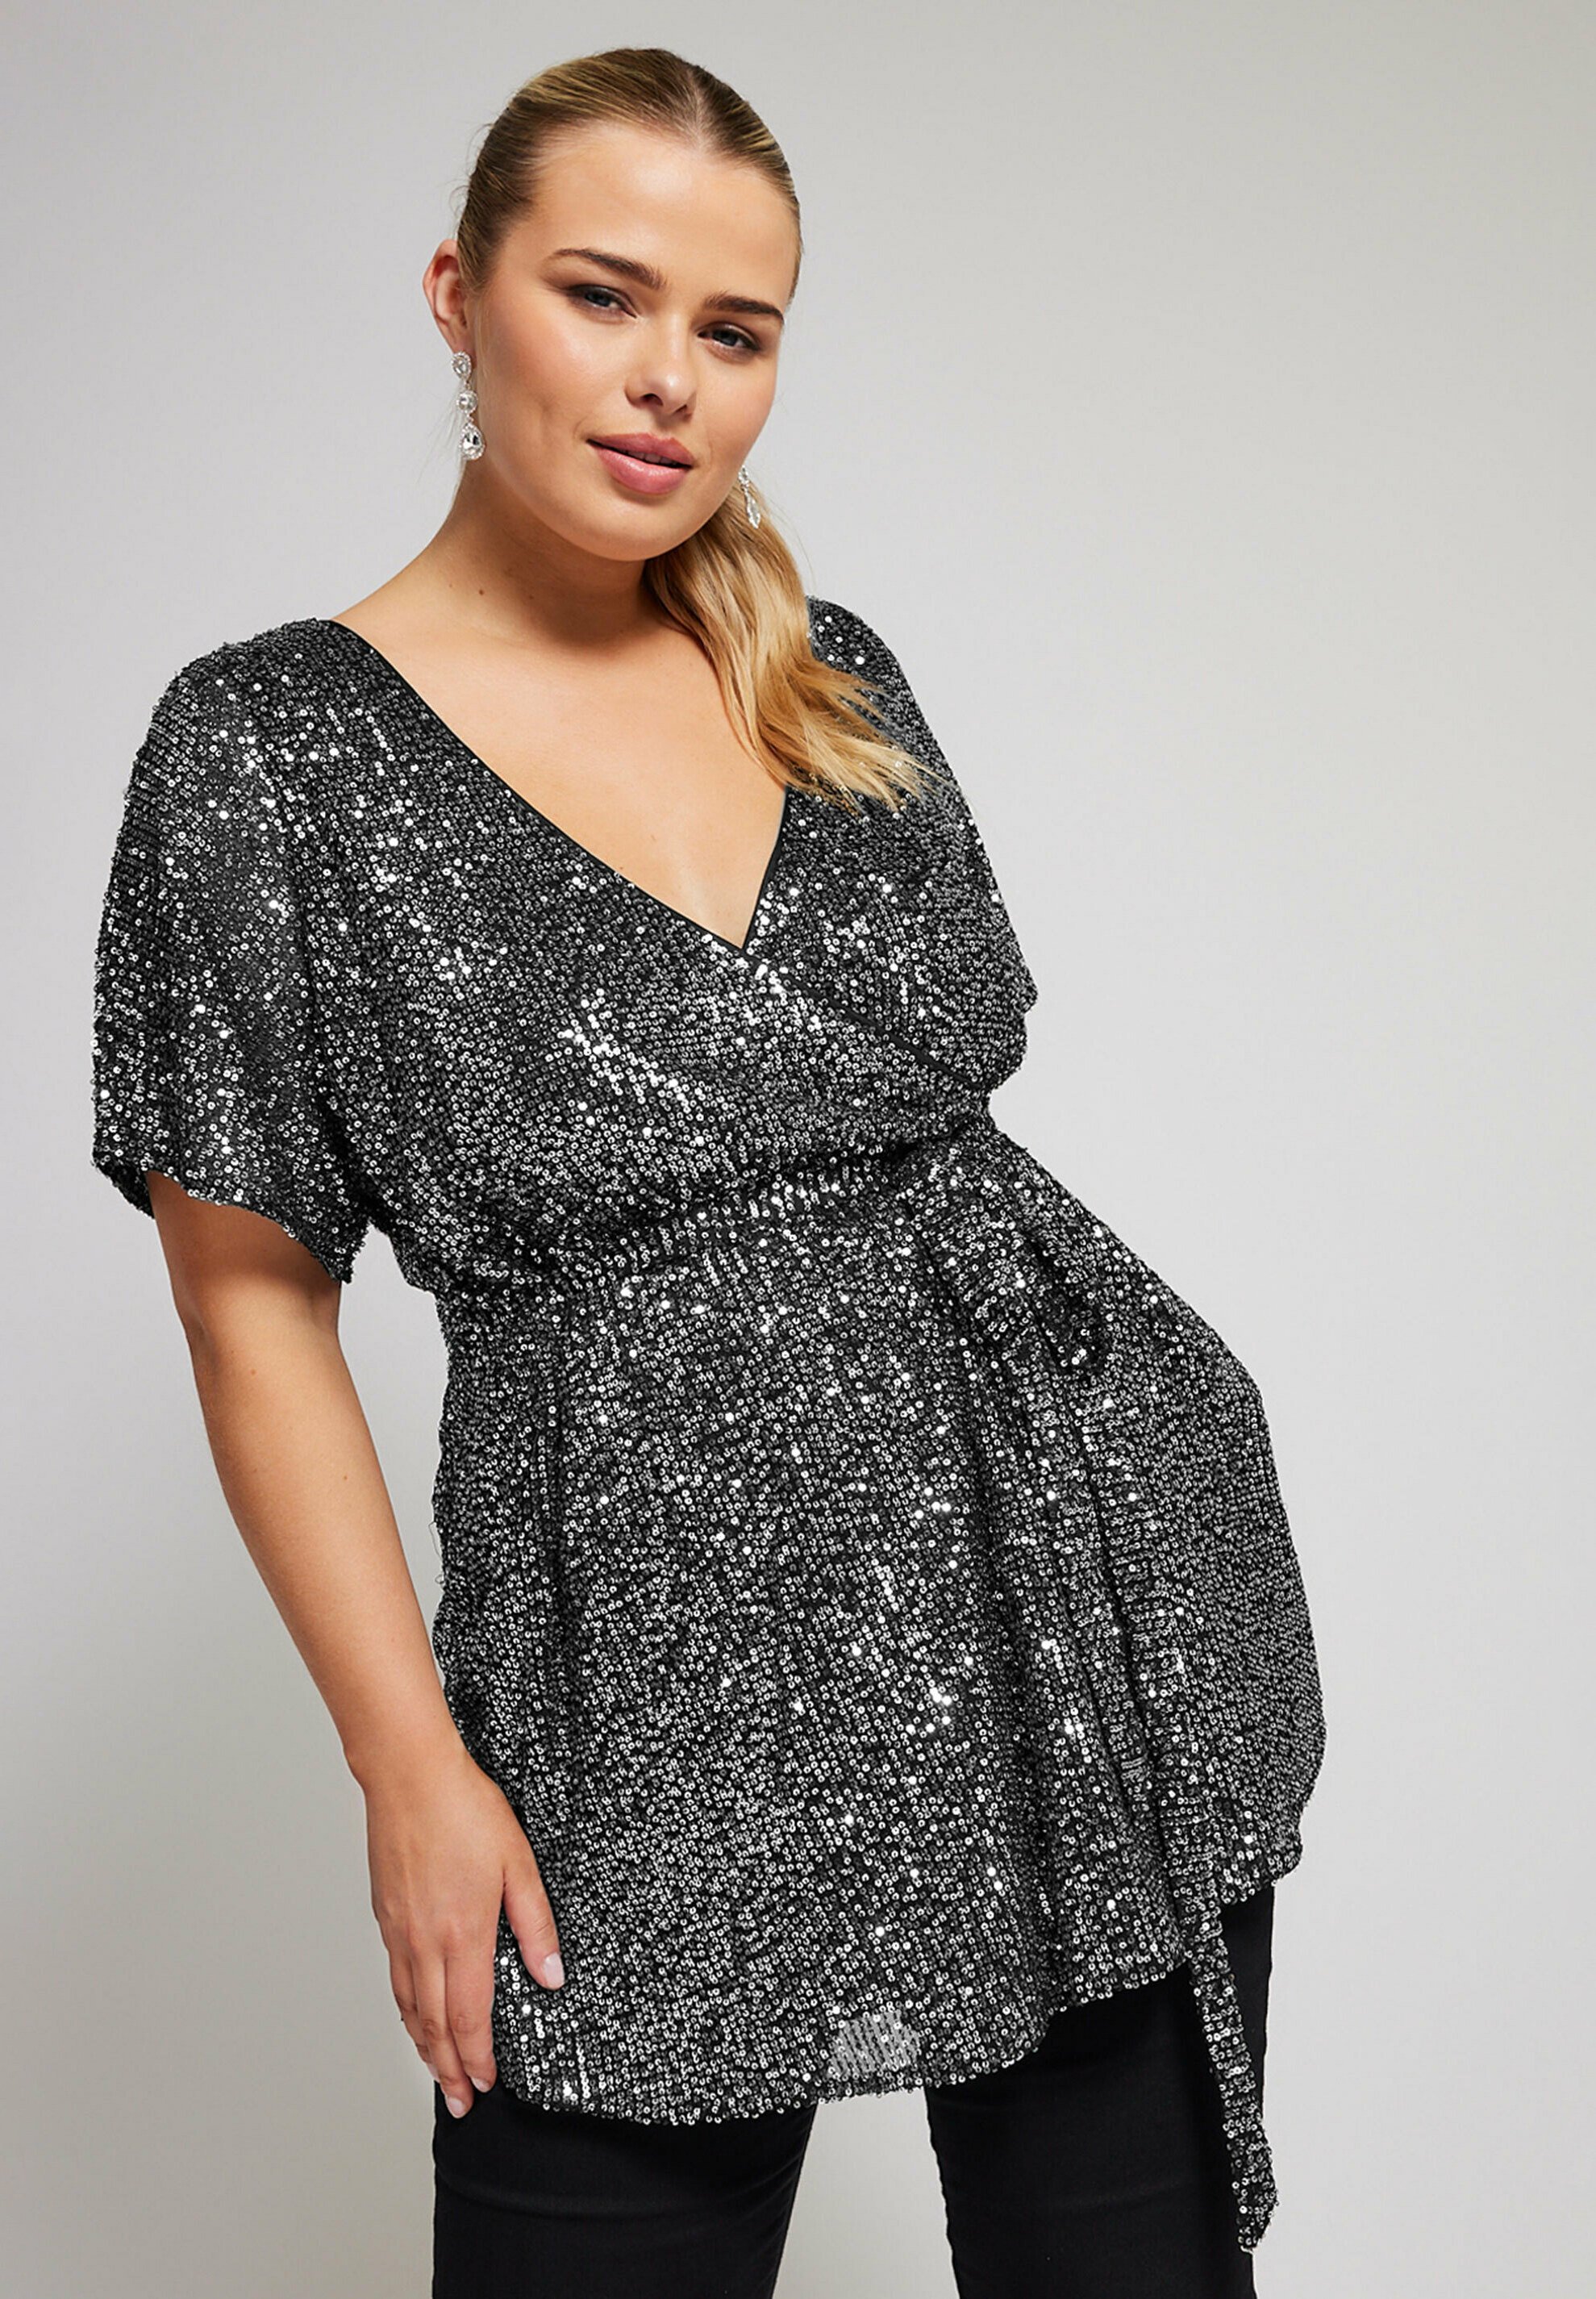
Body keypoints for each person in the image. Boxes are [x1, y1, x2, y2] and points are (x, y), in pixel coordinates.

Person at [90, 44, 1326, 2299]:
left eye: (736, 330)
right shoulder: (264, 753)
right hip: (632, 1669)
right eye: (604, 294)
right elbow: (247, 1302)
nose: (670, 378)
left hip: (1068, 1599)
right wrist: (407, 1763)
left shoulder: (829, 677)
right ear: (458, 296)